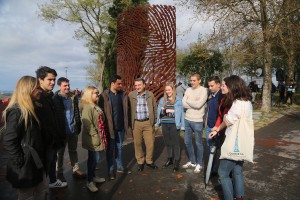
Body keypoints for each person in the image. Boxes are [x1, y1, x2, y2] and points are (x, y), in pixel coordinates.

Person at [2, 76, 48, 200]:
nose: (40, 91)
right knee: (26, 196)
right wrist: (20, 161)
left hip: (36, 163)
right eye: (36, 88)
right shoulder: (18, 112)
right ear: (27, 90)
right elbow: (9, 140)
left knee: (42, 189)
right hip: (26, 166)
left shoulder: (33, 108)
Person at [209, 75, 253, 200]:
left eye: (224, 85)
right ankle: (239, 197)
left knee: (223, 173)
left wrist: (217, 128)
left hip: (233, 141)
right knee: (237, 171)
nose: (222, 87)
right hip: (243, 142)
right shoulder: (247, 102)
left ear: (232, 86)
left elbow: (229, 120)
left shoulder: (237, 103)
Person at [36, 66, 67, 188]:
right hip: (43, 144)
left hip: (52, 141)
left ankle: (53, 181)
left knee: (52, 162)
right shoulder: (36, 98)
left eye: (54, 79)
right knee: (43, 171)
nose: (53, 82)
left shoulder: (49, 96)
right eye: (50, 79)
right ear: (40, 79)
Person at [98, 75, 131, 180]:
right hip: (110, 128)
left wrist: (128, 124)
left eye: (121, 83)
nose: (121, 86)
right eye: (119, 84)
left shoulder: (123, 95)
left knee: (119, 148)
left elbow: (127, 111)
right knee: (110, 150)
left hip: (121, 128)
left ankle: (120, 166)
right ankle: (110, 169)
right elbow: (100, 112)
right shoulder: (104, 96)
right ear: (112, 84)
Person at [53, 77, 86, 180]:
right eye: (65, 86)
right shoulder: (55, 99)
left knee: (73, 151)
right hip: (61, 131)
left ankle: (76, 170)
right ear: (59, 86)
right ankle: (59, 173)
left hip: (73, 129)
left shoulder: (73, 97)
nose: (67, 87)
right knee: (60, 154)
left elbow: (76, 112)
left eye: (68, 85)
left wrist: (78, 125)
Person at [128, 78, 158, 172]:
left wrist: (154, 120)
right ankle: (140, 162)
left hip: (148, 122)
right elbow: (128, 109)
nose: (137, 87)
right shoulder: (131, 95)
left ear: (144, 85)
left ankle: (149, 161)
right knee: (137, 143)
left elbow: (154, 108)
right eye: (135, 85)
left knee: (150, 143)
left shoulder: (150, 94)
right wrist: (130, 122)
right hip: (136, 123)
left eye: (139, 85)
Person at [81, 86, 106, 192]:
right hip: (93, 137)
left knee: (94, 159)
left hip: (98, 135)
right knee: (93, 160)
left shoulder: (94, 105)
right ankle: (89, 181)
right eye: (95, 93)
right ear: (89, 94)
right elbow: (87, 123)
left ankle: (93, 177)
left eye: (98, 92)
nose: (98, 94)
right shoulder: (88, 107)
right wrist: (95, 135)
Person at [182, 73, 208, 173]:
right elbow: (183, 103)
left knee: (198, 143)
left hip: (198, 121)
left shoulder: (204, 90)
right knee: (187, 142)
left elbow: (198, 105)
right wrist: (192, 101)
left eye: (194, 80)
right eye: (191, 80)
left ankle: (199, 164)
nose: (192, 82)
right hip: (187, 119)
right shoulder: (188, 89)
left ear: (199, 80)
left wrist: (189, 100)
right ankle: (192, 161)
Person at [156, 82, 185, 172]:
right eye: (166, 90)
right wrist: (159, 121)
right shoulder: (162, 100)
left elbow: (181, 114)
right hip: (165, 123)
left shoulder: (178, 100)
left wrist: (182, 125)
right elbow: (160, 112)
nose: (168, 91)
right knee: (167, 143)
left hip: (174, 124)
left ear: (173, 90)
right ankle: (170, 159)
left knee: (175, 143)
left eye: (169, 90)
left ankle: (176, 161)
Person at [204, 76, 223, 153]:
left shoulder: (222, 96)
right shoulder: (210, 95)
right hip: (209, 126)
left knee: (217, 150)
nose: (210, 88)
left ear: (218, 84)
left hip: (217, 128)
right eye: (209, 86)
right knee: (210, 148)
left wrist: (218, 127)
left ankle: (215, 165)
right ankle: (210, 165)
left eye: (212, 86)